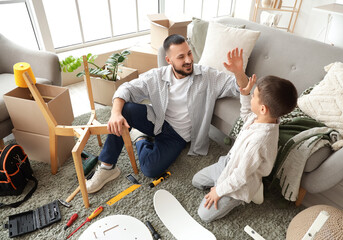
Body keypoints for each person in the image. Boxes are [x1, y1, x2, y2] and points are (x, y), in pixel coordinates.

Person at [86, 34, 249, 194]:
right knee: (124, 109)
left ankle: (140, 138)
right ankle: (107, 167)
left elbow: (237, 87)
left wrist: (238, 73)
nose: (188, 60)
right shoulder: (156, 76)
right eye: (181, 57)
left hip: (177, 135)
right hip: (157, 120)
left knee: (150, 169)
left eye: (189, 53)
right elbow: (126, 88)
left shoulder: (207, 76)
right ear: (169, 60)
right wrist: (115, 114)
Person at [192, 73, 298, 223]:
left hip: (241, 183)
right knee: (196, 181)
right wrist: (245, 94)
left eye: (253, 96)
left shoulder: (259, 141)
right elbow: (246, 113)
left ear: (263, 109)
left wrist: (219, 191)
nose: (251, 97)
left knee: (204, 215)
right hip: (227, 164)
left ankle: (252, 190)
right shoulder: (261, 117)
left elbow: (241, 176)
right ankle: (225, 184)